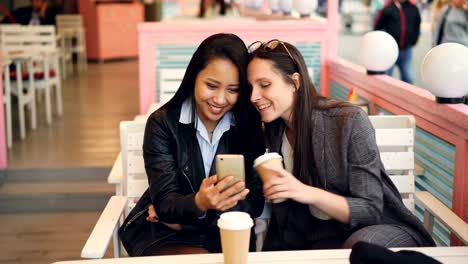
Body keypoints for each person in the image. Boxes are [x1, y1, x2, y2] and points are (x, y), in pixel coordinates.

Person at [246, 39, 436, 251]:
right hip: (320, 238)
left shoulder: (347, 121)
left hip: (380, 228)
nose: (254, 96)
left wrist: (303, 191)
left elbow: (370, 209)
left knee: (360, 247)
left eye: (264, 85)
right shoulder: (273, 131)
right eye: (250, 87)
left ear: (295, 83)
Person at [119, 33, 265, 257]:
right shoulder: (163, 124)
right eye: (211, 85)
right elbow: (166, 203)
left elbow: (254, 202)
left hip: (226, 233)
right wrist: (198, 202)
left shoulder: (249, 125)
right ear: (193, 76)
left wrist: (191, 214)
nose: (219, 99)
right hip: (166, 236)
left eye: (232, 90)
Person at [374, 0, 421, 84]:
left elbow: (417, 25)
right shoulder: (387, 9)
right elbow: (378, 27)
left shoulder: (413, 8)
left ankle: (407, 96)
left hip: (406, 50)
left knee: (407, 77)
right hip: (389, 51)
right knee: (386, 77)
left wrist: (414, 40)